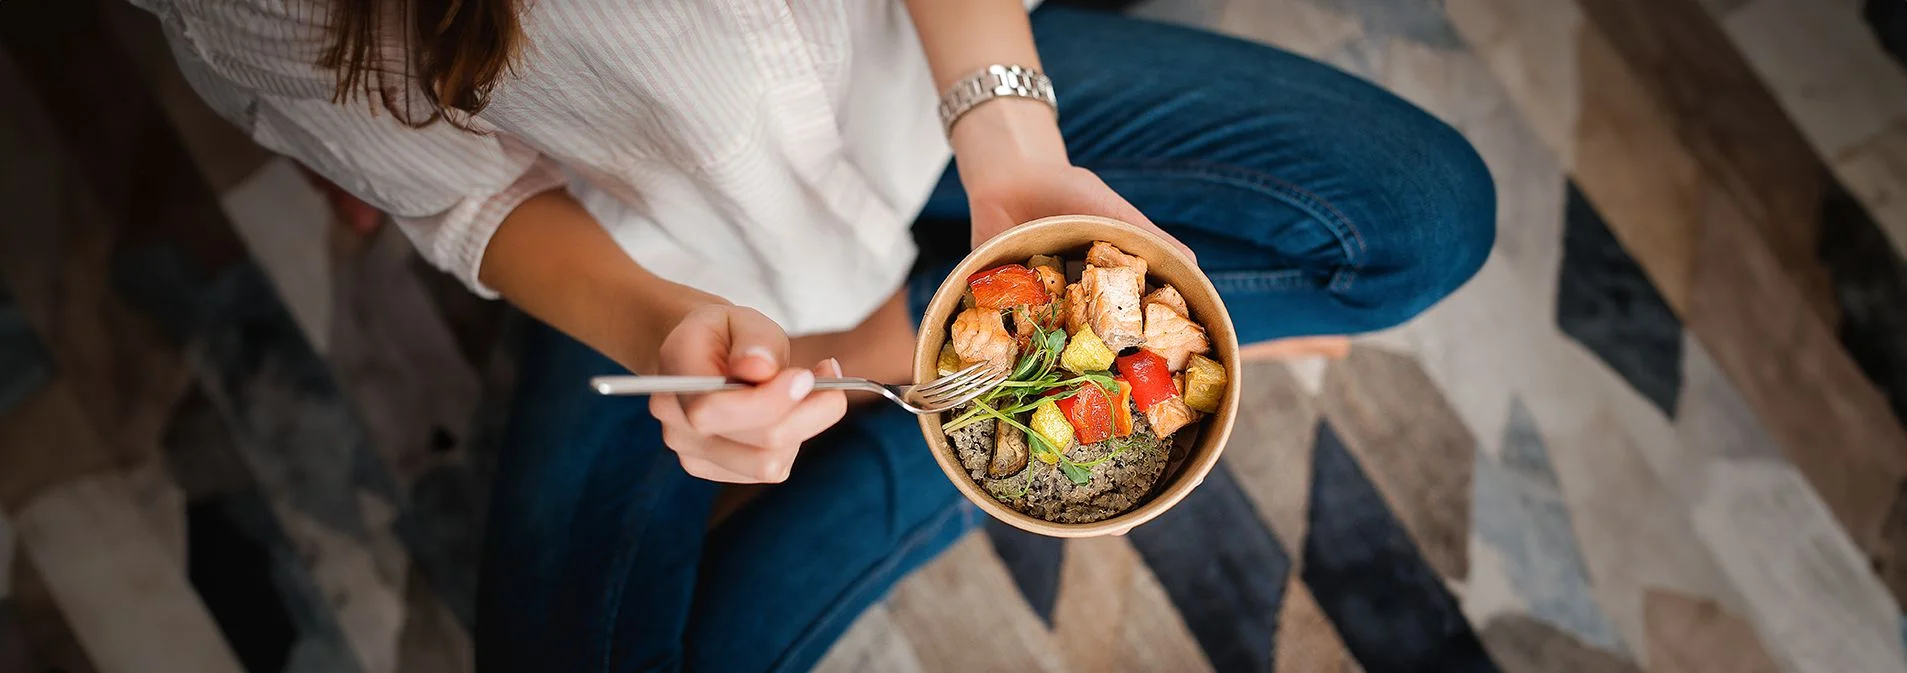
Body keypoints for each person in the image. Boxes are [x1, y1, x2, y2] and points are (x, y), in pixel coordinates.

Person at [134, 0, 1494, 669]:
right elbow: (474, 193)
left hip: (935, 90)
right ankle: (956, 425)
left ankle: (930, 394)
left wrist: (1013, 143)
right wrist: (667, 329)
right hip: (662, 248)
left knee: (1428, 217)